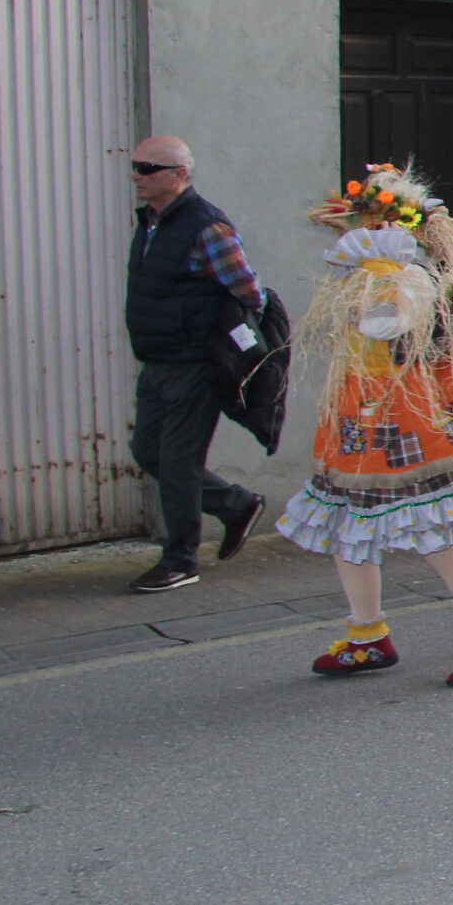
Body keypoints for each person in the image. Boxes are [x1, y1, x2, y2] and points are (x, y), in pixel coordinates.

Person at [279, 166, 453, 686]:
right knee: (348, 530)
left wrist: (373, 273)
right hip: (361, 416)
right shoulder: (375, 271)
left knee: (437, 535)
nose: (361, 229)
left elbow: (384, 324)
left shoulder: (411, 277)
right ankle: (367, 634)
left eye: (370, 221)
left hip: (410, 421)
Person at [123, 135, 268, 595]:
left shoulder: (206, 227)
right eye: (135, 166)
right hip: (157, 360)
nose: (136, 175)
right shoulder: (151, 222)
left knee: (179, 463)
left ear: (179, 175)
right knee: (148, 451)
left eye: (148, 168)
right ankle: (235, 504)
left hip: (194, 364)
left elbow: (250, 292)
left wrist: (218, 334)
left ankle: (180, 560)